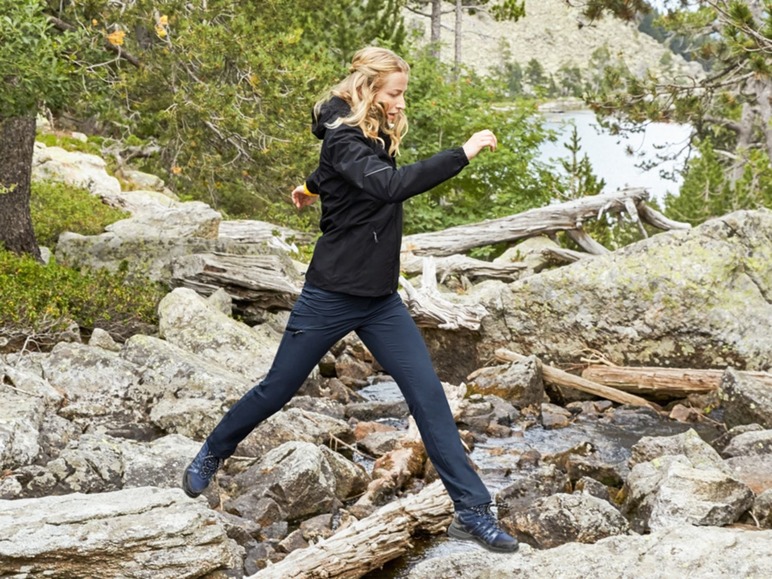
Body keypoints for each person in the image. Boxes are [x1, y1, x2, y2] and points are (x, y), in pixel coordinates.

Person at [182, 46, 518, 554]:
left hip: (380, 300)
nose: (401, 103)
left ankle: (473, 511)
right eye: (395, 94)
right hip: (331, 294)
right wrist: (462, 153)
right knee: (277, 388)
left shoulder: (364, 127)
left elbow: (342, 169)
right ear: (368, 88)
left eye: (402, 94)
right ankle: (213, 450)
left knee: (428, 398)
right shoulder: (343, 135)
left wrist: (311, 185)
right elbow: (387, 185)